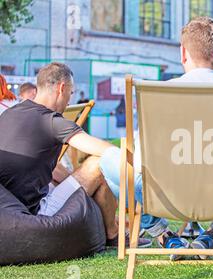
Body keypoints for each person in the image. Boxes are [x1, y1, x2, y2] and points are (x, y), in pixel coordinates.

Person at [99, 17, 213, 261]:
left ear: (182, 53)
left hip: (166, 197)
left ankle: (162, 233)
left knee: (109, 160)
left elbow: (142, 160)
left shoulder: (159, 95)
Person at [0, 62, 150, 248]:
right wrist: (139, 164)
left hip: (7, 210)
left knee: (74, 177)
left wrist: (76, 180)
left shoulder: (9, 114)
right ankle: (114, 235)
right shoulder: (52, 121)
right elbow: (102, 150)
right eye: (70, 94)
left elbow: (50, 170)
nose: (69, 101)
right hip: (35, 213)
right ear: (62, 88)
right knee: (97, 164)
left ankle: (117, 226)